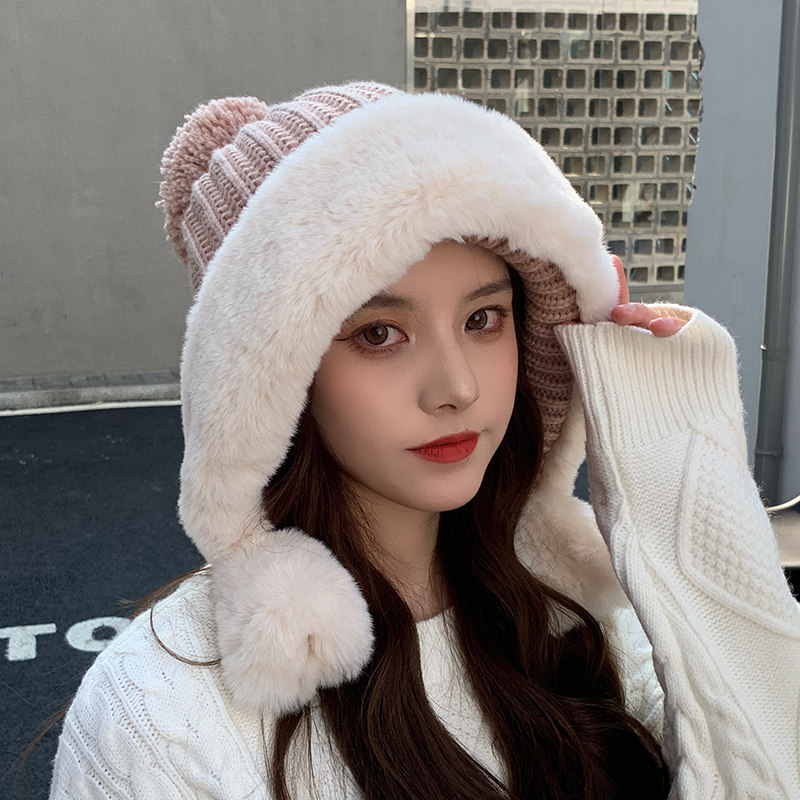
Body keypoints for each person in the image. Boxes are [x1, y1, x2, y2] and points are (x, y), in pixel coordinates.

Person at [49, 82, 800, 799]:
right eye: (380, 333)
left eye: (483, 320)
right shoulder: (159, 715)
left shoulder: (572, 617)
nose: (458, 388)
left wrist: (671, 460)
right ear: (271, 377)